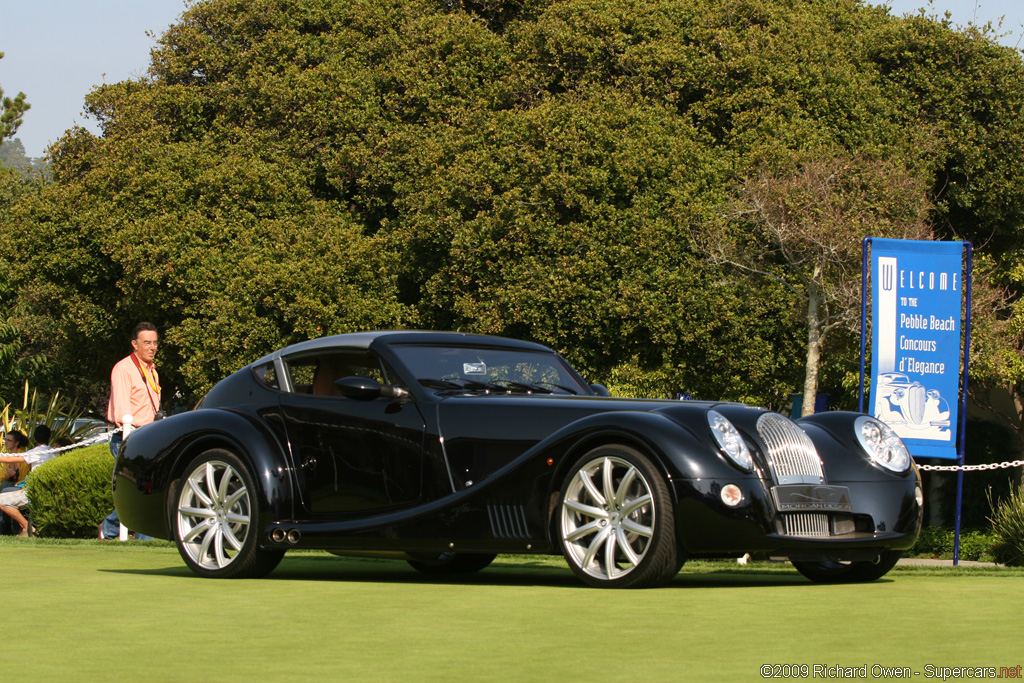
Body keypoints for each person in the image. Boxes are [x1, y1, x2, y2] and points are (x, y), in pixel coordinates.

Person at [98, 322, 161, 540]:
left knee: (145, 488)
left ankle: (110, 528)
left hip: (148, 436)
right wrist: (131, 437)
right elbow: (122, 413)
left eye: (154, 343)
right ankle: (136, 536)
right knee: (140, 489)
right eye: (147, 343)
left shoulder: (152, 370)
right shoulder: (124, 368)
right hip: (128, 436)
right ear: (134, 344)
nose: (152, 347)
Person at [0, 425, 55, 536]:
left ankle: (27, 527)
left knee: (2, 498)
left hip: (36, 492)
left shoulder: (37, 452)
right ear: (49, 437)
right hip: (44, 490)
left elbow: (10, 458)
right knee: (5, 489)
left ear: (34, 439)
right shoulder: (54, 452)